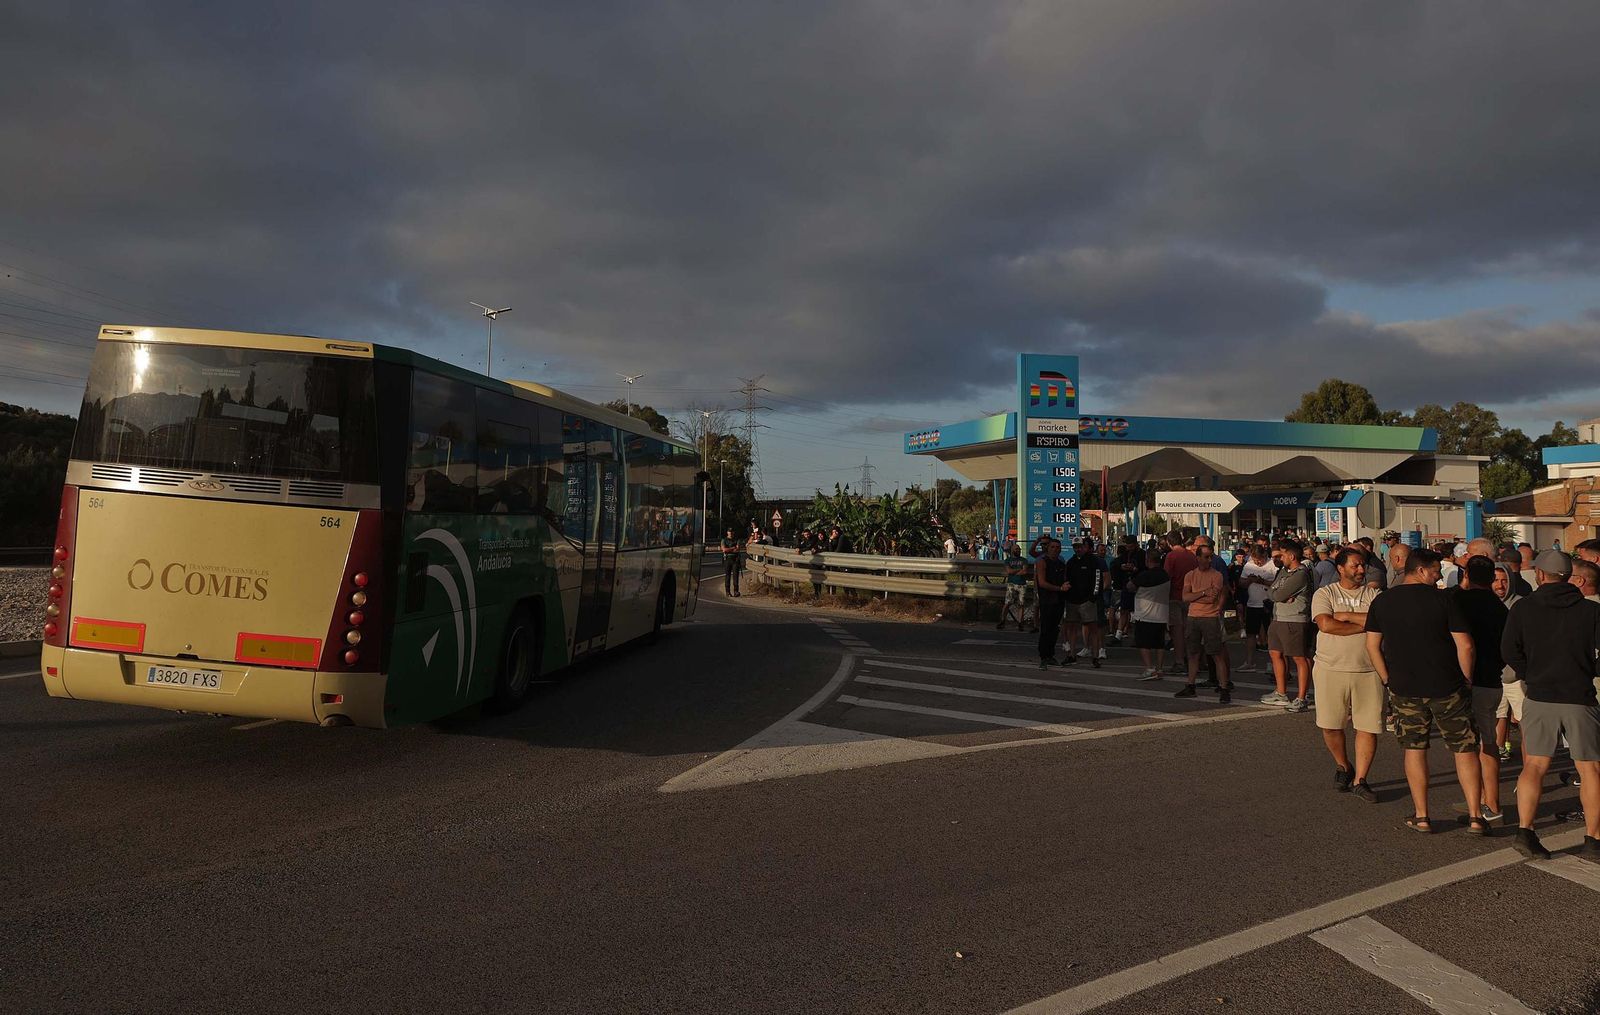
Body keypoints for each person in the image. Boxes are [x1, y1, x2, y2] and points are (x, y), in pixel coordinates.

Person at [1364, 548, 1487, 836]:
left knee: (1414, 749)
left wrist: (1387, 679)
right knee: (1465, 749)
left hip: (1404, 687)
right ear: (1420, 570)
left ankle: (1422, 815)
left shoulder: (1383, 601)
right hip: (1447, 685)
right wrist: (1466, 679)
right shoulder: (1444, 599)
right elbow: (1465, 645)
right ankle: (1475, 815)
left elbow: (1372, 646)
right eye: (1435, 571)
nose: (1438, 576)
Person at [1500, 549, 1600, 859]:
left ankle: (1526, 830)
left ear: (1540, 575)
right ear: (1569, 576)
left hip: (1540, 695)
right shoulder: (1590, 611)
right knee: (1590, 768)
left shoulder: (1523, 609)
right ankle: (1593, 839)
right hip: (1579, 696)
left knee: (1535, 765)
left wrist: (1531, 672)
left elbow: (1508, 650)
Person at [1311, 547, 1383, 801]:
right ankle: (1343, 765)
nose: (1361, 570)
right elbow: (1326, 625)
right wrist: (1365, 624)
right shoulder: (1325, 593)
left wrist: (1346, 616)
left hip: (1368, 669)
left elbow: (1382, 621)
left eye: (1363, 565)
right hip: (1330, 668)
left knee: (1368, 727)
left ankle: (1360, 779)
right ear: (1340, 568)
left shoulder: (1374, 595)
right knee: (1331, 725)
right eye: (1355, 565)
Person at [1454, 555, 1510, 823]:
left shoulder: (1456, 603)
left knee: (1465, 747)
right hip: (1492, 681)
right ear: (1491, 579)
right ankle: (1493, 803)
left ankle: (1475, 807)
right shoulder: (1500, 608)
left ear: (1466, 575)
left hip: (1462, 682)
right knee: (1489, 742)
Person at [1175, 543, 1232, 703]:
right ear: (1198, 557)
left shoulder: (1217, 575)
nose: (1209, 560)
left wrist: (1197, 595)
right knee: (1193, 653)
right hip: (1193, 616)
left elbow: (1213, 598)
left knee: (1216, 654)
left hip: (1210, 617)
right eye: (1205, 556)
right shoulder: (1190, 575)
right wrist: (1204, 592)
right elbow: (1185, 597)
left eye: (1210, 556)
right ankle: (1190, 685)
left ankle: (1224, 687)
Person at [1264, 538, 1315, 711]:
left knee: (1299, 657)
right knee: (1275, 653)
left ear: (1292, 556)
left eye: (1283, 554)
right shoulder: (1284, 571)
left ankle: (1302, 697)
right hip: (1279, 617)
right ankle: (1281, 692)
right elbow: (1272, 591)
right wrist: (1280, 594)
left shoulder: (1300, 573)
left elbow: (1277, 594)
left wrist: (1280, 594)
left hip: (1294, 619)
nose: (1280, 557)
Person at [1492, 562, 1526, 761]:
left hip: (1515, 675)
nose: (1500, 585)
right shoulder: (1485, 604)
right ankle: (1498, 753)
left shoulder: (1520, 604)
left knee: (1524, 718)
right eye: (1495, 580)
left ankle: (1531, 760)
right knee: (1499, 715)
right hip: (1494, 674)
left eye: (1504, 580)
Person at [1062, 538, 1106, 668]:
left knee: (1093, 628)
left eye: (1080, 546)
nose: (1078, 549)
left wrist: (1093, 597)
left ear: (1085, 547)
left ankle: (1095, 657)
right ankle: (1071, 655)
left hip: (1087, 601)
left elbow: (1098, 579)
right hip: (1072, 601)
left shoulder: (1094, 561)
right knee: (1072, 628)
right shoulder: (1071, 562)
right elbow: (1066, 580)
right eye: (1075, 547)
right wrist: (1067, 596)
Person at [1164, 532, 1200, 675]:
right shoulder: (1191, 556)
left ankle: (1179, 661)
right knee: (1189, 630)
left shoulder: (1171, 556)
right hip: (1190, 597)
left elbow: (1167, 576)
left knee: (1177, 630)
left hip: (1175, 596)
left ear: (1169, 542)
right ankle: (1193, 659)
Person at [1131, 550, 1171, 679]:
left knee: (1143, 643)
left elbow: (1130, 586)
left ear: (1148, 560)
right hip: (1161, 614)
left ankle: (1149, 668)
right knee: (1159, 643)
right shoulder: (1165, 575)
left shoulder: (1144, 575)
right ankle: (1159, 668)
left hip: (1145, 614)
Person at [1035, 539, 1073, 668]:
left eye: (1058, 547)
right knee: (1046, 628)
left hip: (1059, 600)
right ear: (1048, 548)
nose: (1055, 549)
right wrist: (1059, 588)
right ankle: (1043, 656)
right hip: (1047, 600)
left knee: (1055, 629)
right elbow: (1042, 582)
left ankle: (1050, 655)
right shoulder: (1042, 562)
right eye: (1052, 547)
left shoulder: (1061, 563)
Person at [1238, 544, 1276, 672]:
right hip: (1253, 604)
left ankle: (1274, 663)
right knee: (1251, 634)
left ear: (1264, 556)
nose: (1258, 563)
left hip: (1268, 604)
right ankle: (1249, 661)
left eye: (1259, 560)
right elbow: (1241, 583)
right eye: (1255, 560)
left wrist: (1262, 581)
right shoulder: (1248, 565)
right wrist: (1249, 580)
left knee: (1271, 636)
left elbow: (1278, 583)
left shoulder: (1272, 564)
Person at [999, 542, 1034, 631]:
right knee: (1008, 602)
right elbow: (1009, 571)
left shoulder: (1024, 560)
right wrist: (1018, 570)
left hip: (1022, 584)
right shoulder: (1008, 560)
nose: (1018, 551)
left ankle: (1020, 622)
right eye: (1016, 549)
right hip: (1011, 583)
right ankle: (1002, 620)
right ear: (1012, 551)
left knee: (1021, 604)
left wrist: (1014, 571)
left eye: (1018, 549)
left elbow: (1024, 571)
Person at [719, 526, 745, 597]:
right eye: (729, 532)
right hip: (727, 559)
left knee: (736, 576)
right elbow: (724, 549)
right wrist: (733, 548)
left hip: (735, 559)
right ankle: (728, 592)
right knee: (728, 576)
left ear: (733, 533)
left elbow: (738, 549)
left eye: (732, 532)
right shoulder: (724, 540)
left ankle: (736, 591)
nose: (730, 533)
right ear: (727, 532)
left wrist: (729, 549)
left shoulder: (737, 540)